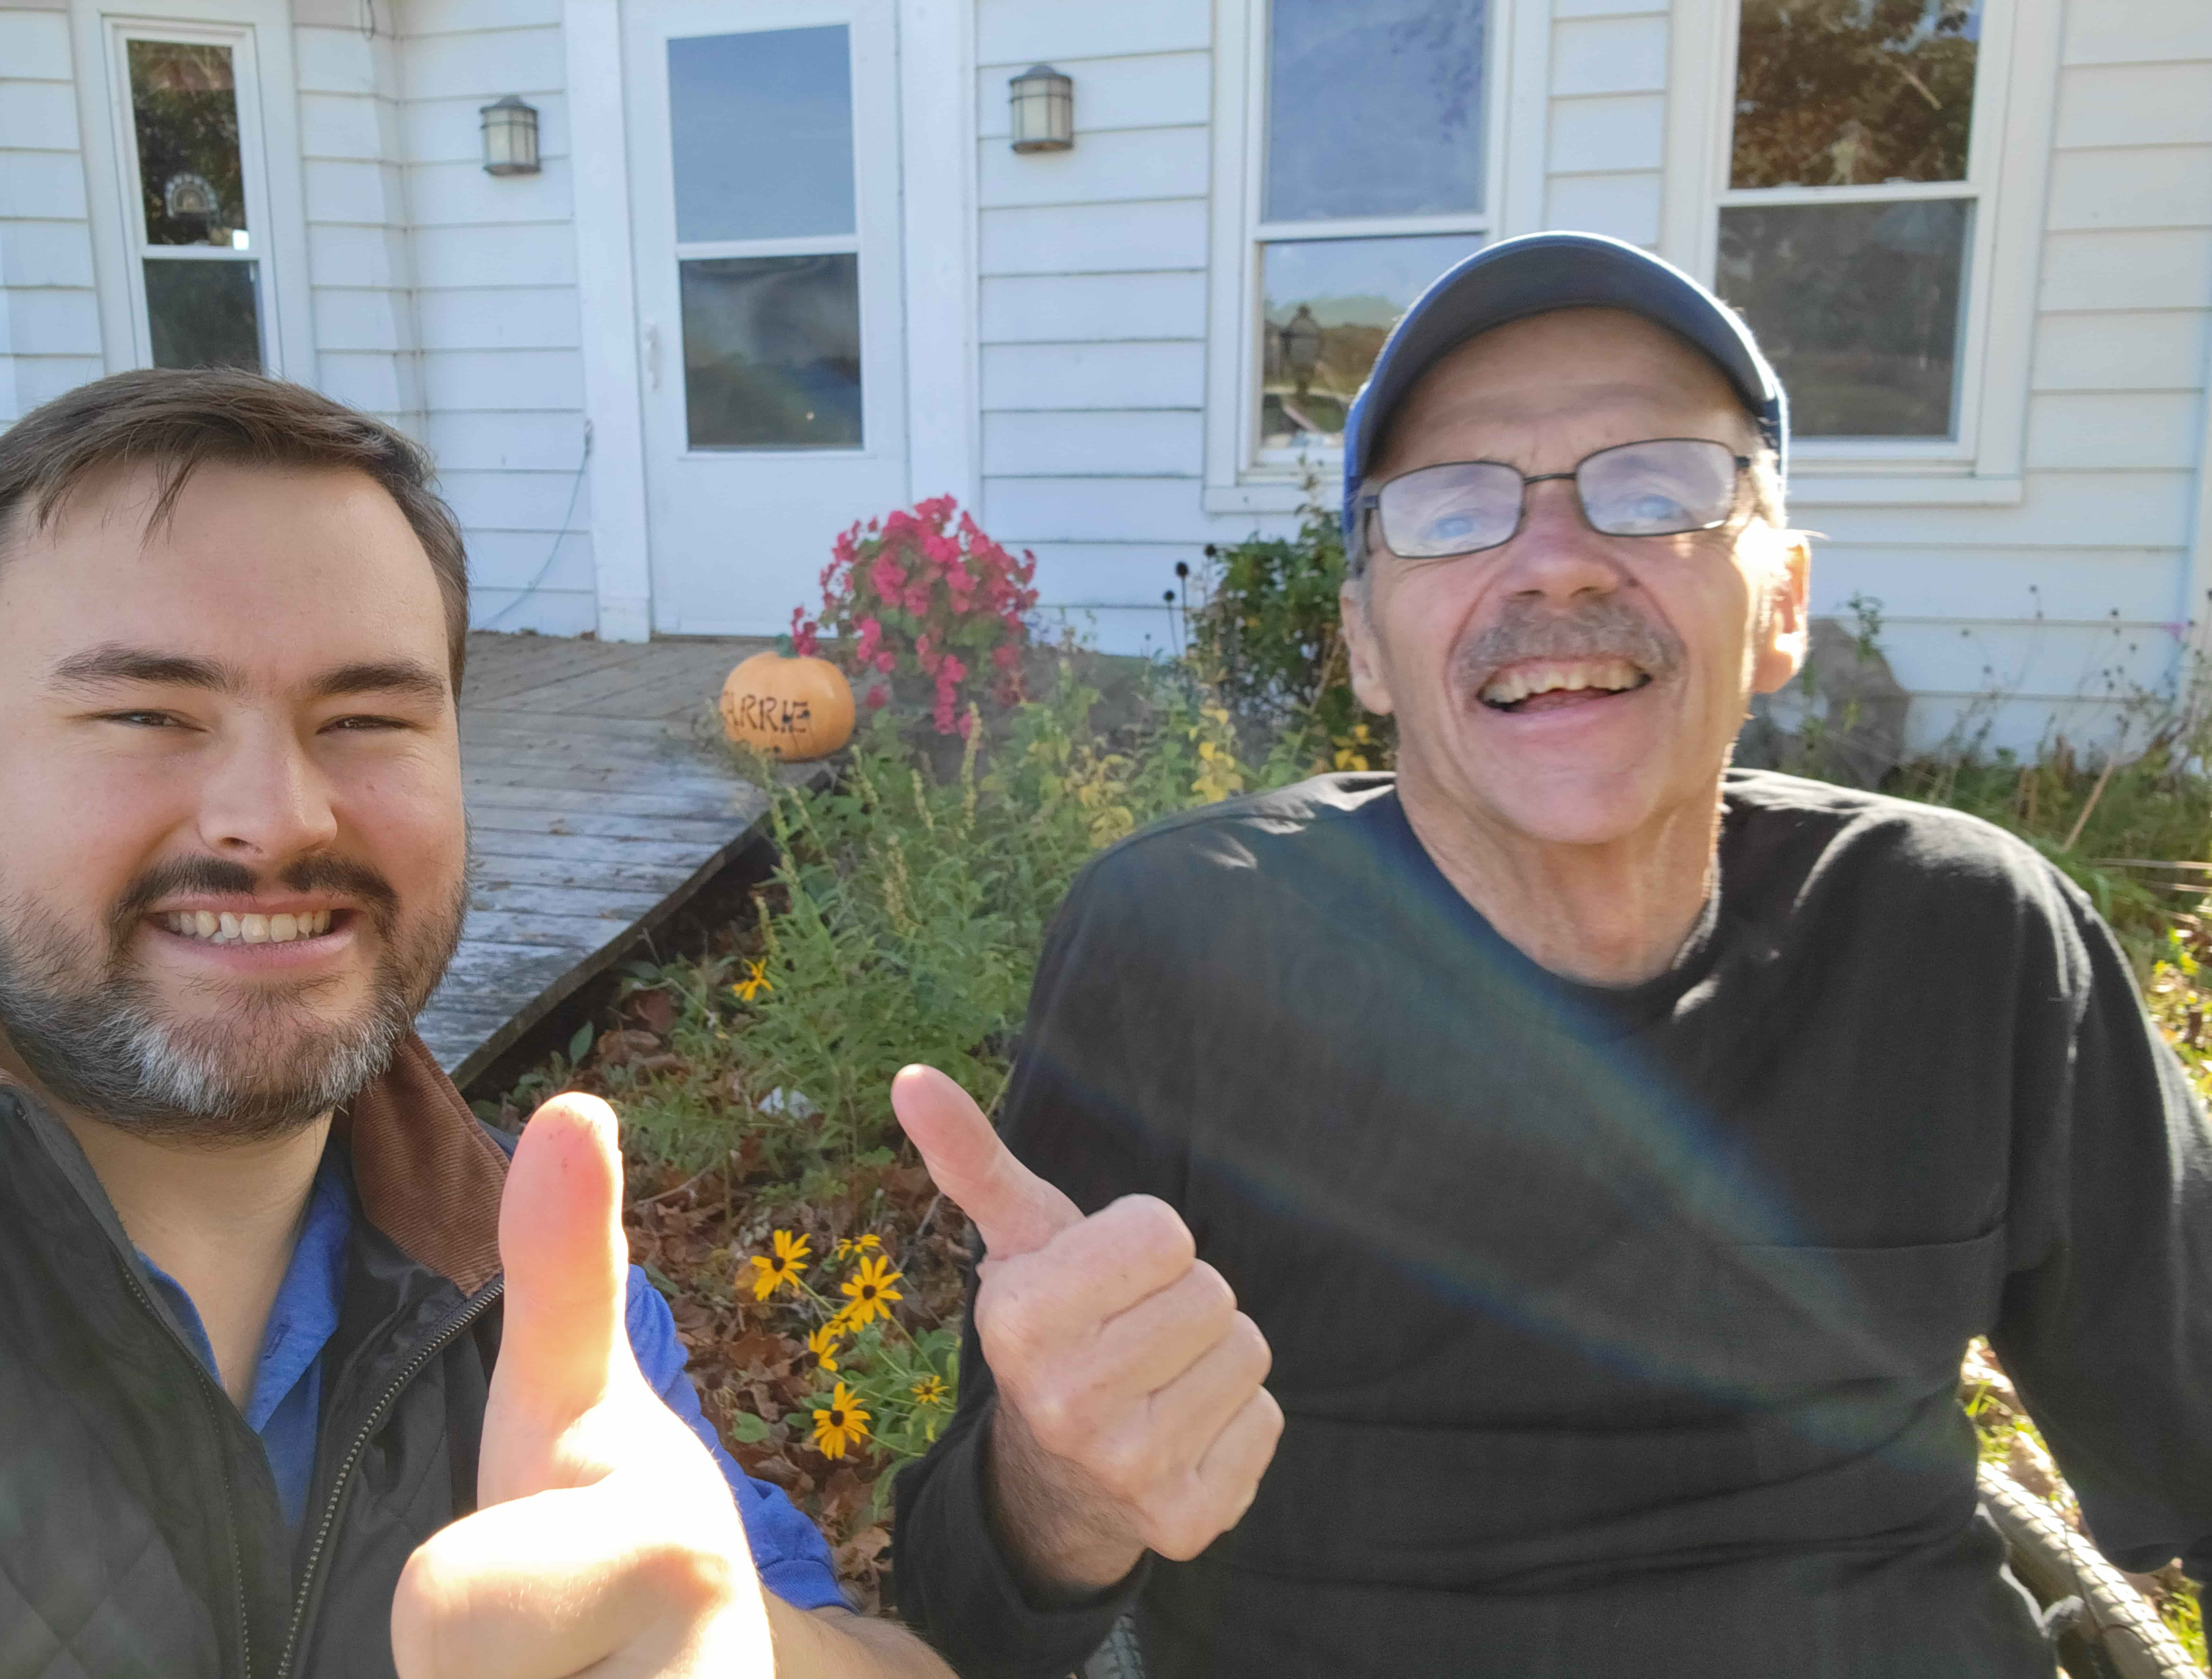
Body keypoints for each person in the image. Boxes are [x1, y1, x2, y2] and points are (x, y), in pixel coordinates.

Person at [886, 232, 2212, 1677]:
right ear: (1367, 645)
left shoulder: (1966, 938)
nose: (1561, 561)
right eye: (1454, 510)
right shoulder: (1185, 946)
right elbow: (969, 1609)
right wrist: (1064, 1489)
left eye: (1658, 489)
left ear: (1782, 602)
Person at [0, 371, 954, 1679]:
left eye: (367, 720)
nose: (277, 819)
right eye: (147, 715)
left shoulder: (530, 1280)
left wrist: (744, 1641)